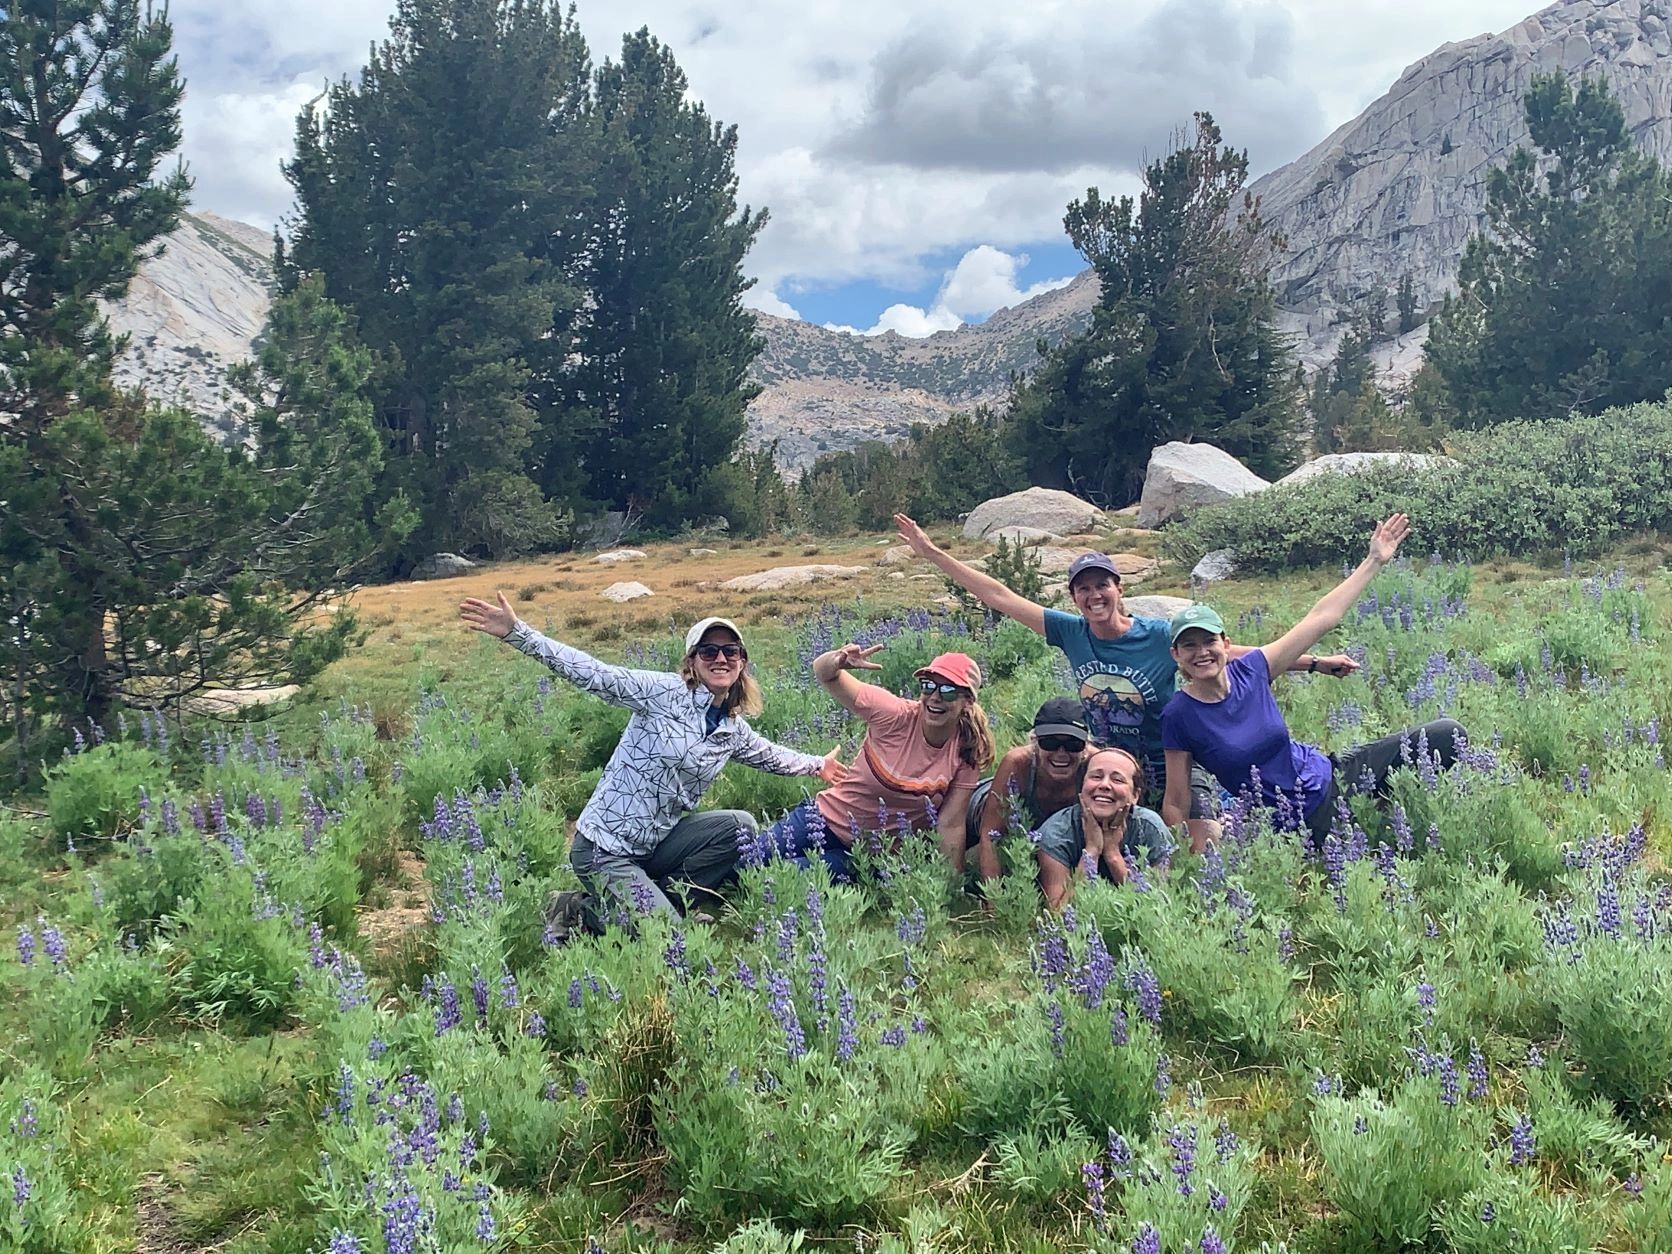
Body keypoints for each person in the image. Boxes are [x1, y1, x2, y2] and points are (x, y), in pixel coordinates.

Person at [894, 513, 1360, 853]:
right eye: (1083, 588)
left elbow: (1233, 656)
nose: (1094, 595)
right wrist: (933, 554)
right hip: (1106, 758)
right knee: (1051, 809)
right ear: (1074, 596)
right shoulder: (1070, 631)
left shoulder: (1159, 637)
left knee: (1201, 844)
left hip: (1172, 755)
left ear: (1119, 588)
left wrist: (1313, 662)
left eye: (1103, 585)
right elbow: (1001, 595)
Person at [459, 593, 844, 934]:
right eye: (708, 651)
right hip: (604, 848)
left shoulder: (731, 728)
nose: (721, 658)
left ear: (742, 663)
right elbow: (593, 673)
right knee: (667, 937)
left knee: (738, 826)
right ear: (692, 662)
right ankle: (577, 909)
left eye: (731, 651)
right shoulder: (663, 692)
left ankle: (658, 898)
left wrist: (816, 765)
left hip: (656, 844)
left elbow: (769, 754)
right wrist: (518, 632)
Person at [1160, 513, 1463, 846]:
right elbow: (1176, 799)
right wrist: (1176, 864)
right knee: (1359, 855)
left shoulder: (1253, 669)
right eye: (1189, 645)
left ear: (1226, 645)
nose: (1201, 652)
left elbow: (1321, 618)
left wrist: (1374, 560)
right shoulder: (1179, 715)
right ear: (1176, 655)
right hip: (1293, 822)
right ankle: (1369, 824)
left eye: (1209, 642)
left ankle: (1382, 809)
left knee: (1448, 734)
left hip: (1331, 773)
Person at [766, 645, 994, 880]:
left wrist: (952, 887)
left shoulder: (967, 748)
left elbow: (951, 823)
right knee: (746, 864)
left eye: (947, 690)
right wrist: (837, 660)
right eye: (928, 686)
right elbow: (824, 673)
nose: (935, 696)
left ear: (967, 700)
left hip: (868, 855)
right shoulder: (894, 715)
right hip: (822, 819)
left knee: (779, 878)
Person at [964, 696, 1090, 884]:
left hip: (1046, 833)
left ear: (1086, 747)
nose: (1061, 753)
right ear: (1034, 743)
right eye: (1050, 743)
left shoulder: (1097, 766)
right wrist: (994, 902)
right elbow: (990, 834)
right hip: (988, 807)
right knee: (975, 859)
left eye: (1073, 744)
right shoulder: (1018, 763)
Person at [1035, 747, 1174, 909]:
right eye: (1096, 776)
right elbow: (1059, 916)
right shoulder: (1055, 833)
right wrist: (1092, 851)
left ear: (1135, 795)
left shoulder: (1150, 827)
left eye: (1117, 780)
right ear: (1081, 787)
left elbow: (1156, 909)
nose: (1104, 785)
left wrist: (1112, 853)